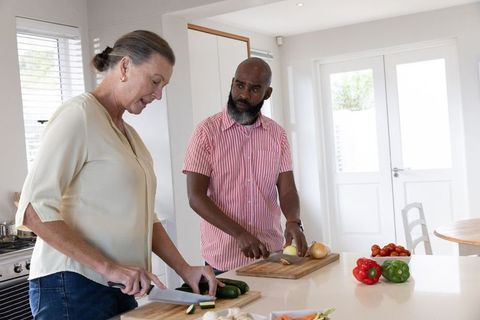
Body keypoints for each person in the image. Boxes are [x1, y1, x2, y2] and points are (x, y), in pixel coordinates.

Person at [15, 30, 217, 320]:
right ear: (125, 67)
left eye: (164, 86)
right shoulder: (79, 116)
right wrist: (109, 268)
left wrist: (184, 269)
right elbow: (34, 209)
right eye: (155, 81)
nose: (159, 95)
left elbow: (146, 217)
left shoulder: (130, 135)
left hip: (118, 285)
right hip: (72, 285)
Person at [183, 57, 308, 273]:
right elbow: (196, 197)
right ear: (232, 83)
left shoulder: (277, 135)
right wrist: (239, 233)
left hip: (272, 253)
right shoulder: (205, 133)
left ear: (267, 94)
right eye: (240, 85)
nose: (244, 95)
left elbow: (287, 190)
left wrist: (293, 221)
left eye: (254, 89)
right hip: (224, 260)